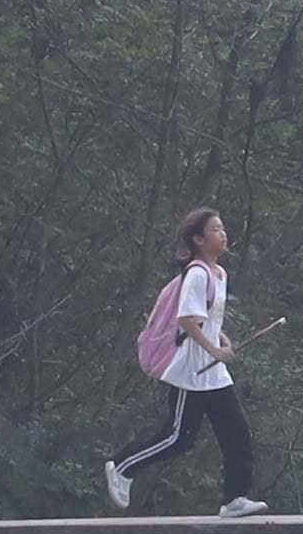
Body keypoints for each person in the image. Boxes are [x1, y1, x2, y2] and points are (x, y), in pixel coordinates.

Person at [103, 205, 264, 514]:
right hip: (191, 369)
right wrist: (215, 350)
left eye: (222, 228)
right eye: (215, 230)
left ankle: (234, 499)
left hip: (213, 374)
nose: (223, 234)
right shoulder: (197, 274)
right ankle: (123, 466)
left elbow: (208, 319)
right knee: (178, 437)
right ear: (199, 240)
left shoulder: (219, 273)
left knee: (237, 433)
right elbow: (187, 319)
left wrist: (222, 338)